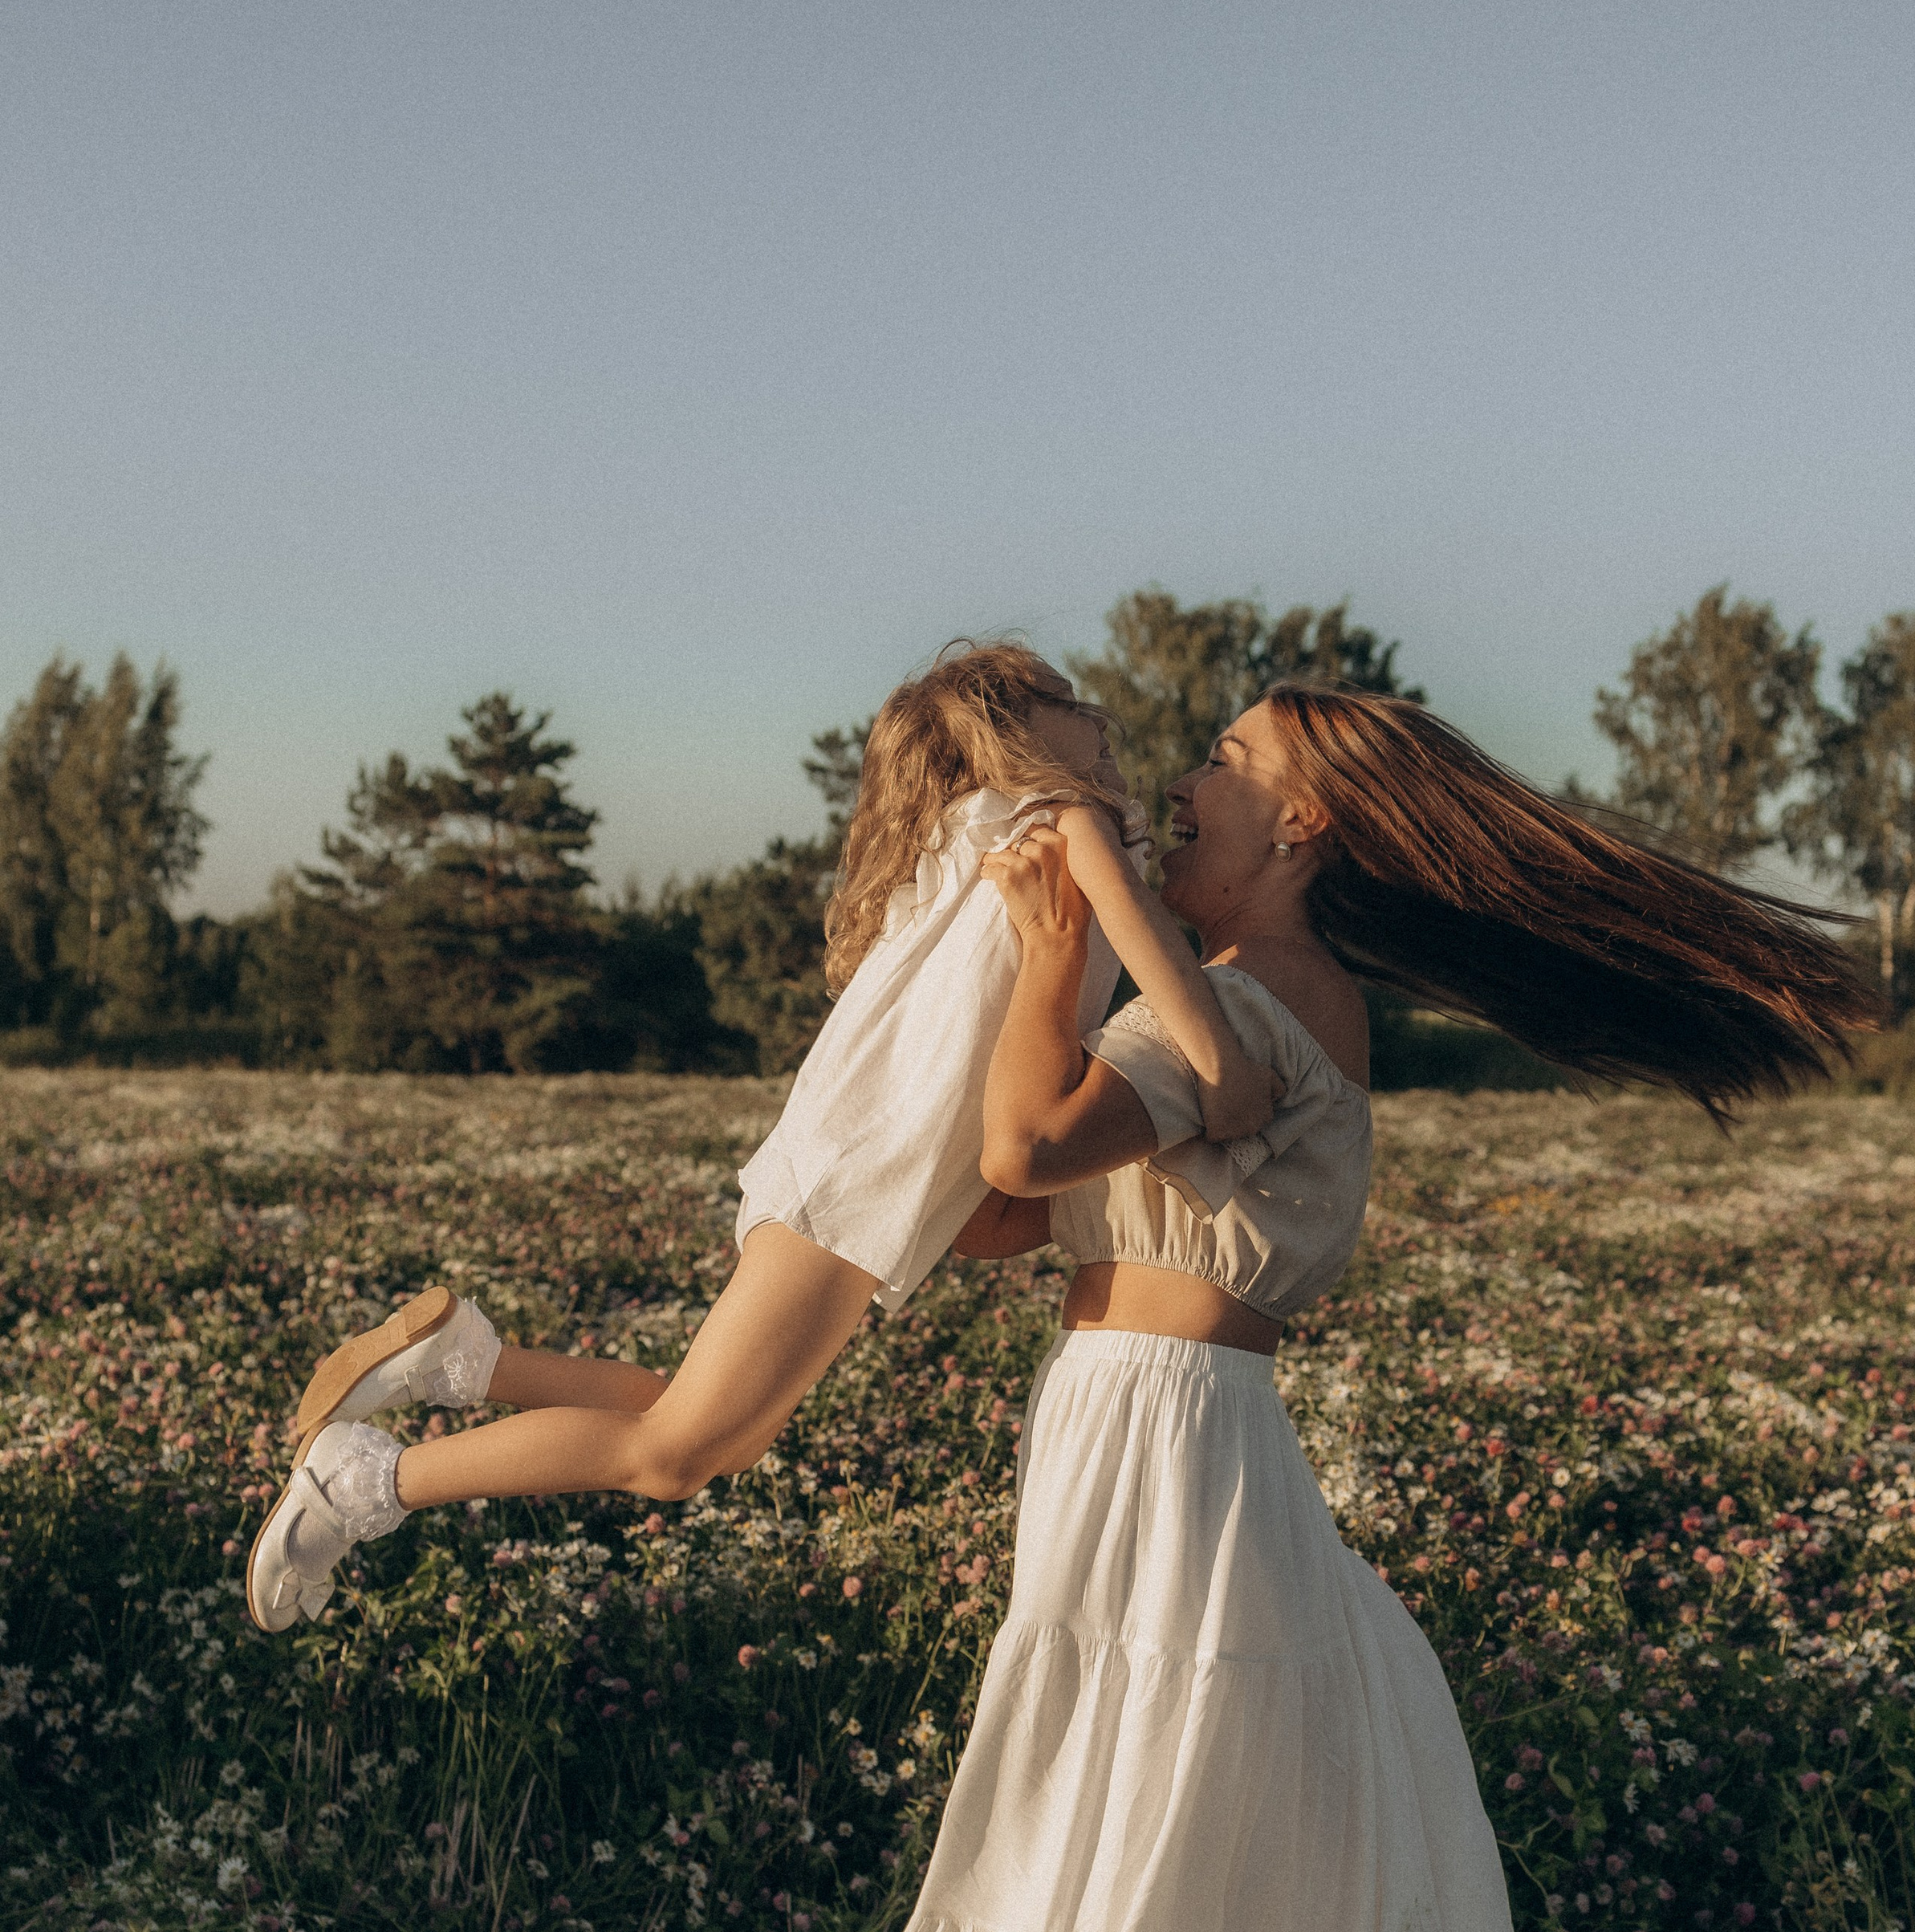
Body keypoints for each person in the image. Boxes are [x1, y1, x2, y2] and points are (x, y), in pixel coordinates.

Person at [693, 686, 1873, 1932]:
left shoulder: (1248, 1001)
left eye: (1226, 767)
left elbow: (1020, 1153)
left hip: (1171, 1450)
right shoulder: (1214, 993)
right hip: (1132, 1436)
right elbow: (1020, 1207)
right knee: (1124, 1840)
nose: (1183, 781)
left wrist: (1041, 947)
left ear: (1303, 825)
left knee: (1143, 1847)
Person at [242, 642, 1277, 1632]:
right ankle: (363, 1482)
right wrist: (1226, 1081)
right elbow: (1166, 982)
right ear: (1015, 733)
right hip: (870, 1168)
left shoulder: (997, 836)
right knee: (674, 1455)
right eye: (1060, 701)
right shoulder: (1056, 823)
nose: (1095, 716)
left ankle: (461, 1356)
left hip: (860, 1158)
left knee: (703, 1425)